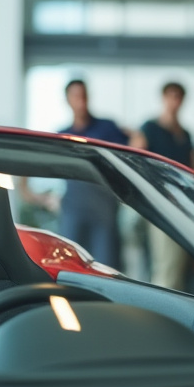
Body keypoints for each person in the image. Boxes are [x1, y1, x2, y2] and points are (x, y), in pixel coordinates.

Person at [57, 79, 131, 267]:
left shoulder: (107, 127)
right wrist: (37, 196)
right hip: (73, 208)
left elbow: (133, 148)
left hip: (104, 208)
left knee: (107, 266)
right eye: (76, 96)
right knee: (70, 265)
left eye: (84, 95)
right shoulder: (61, 135)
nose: (81, 101)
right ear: (67, 100)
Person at [132, 82, 194, 291]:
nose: (174, 102)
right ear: (163, 98)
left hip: (180, 205)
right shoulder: (149, 129)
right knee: (164, 265)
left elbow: (191, 171)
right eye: (171, 96)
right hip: (158, 203)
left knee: (177, 265)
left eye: (178, 97)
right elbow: (134, 161)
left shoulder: (184, 135)